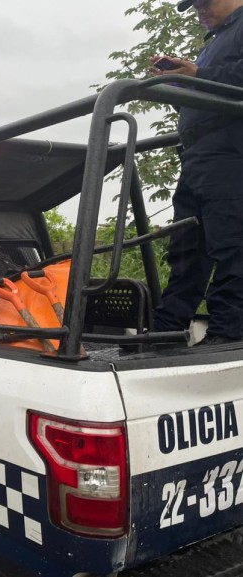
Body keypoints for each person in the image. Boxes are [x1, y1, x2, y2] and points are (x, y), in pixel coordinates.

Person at [150, 0, 243, 345]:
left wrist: (198, 76)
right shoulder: (214, 42)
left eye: (205, 3)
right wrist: (180, 86)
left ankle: (229, 333)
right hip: (196, 155)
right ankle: (166, 330)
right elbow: (210, 91)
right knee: (186, 248)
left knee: (231, 244)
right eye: (195, 7)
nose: (199, 11)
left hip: (230, 153)